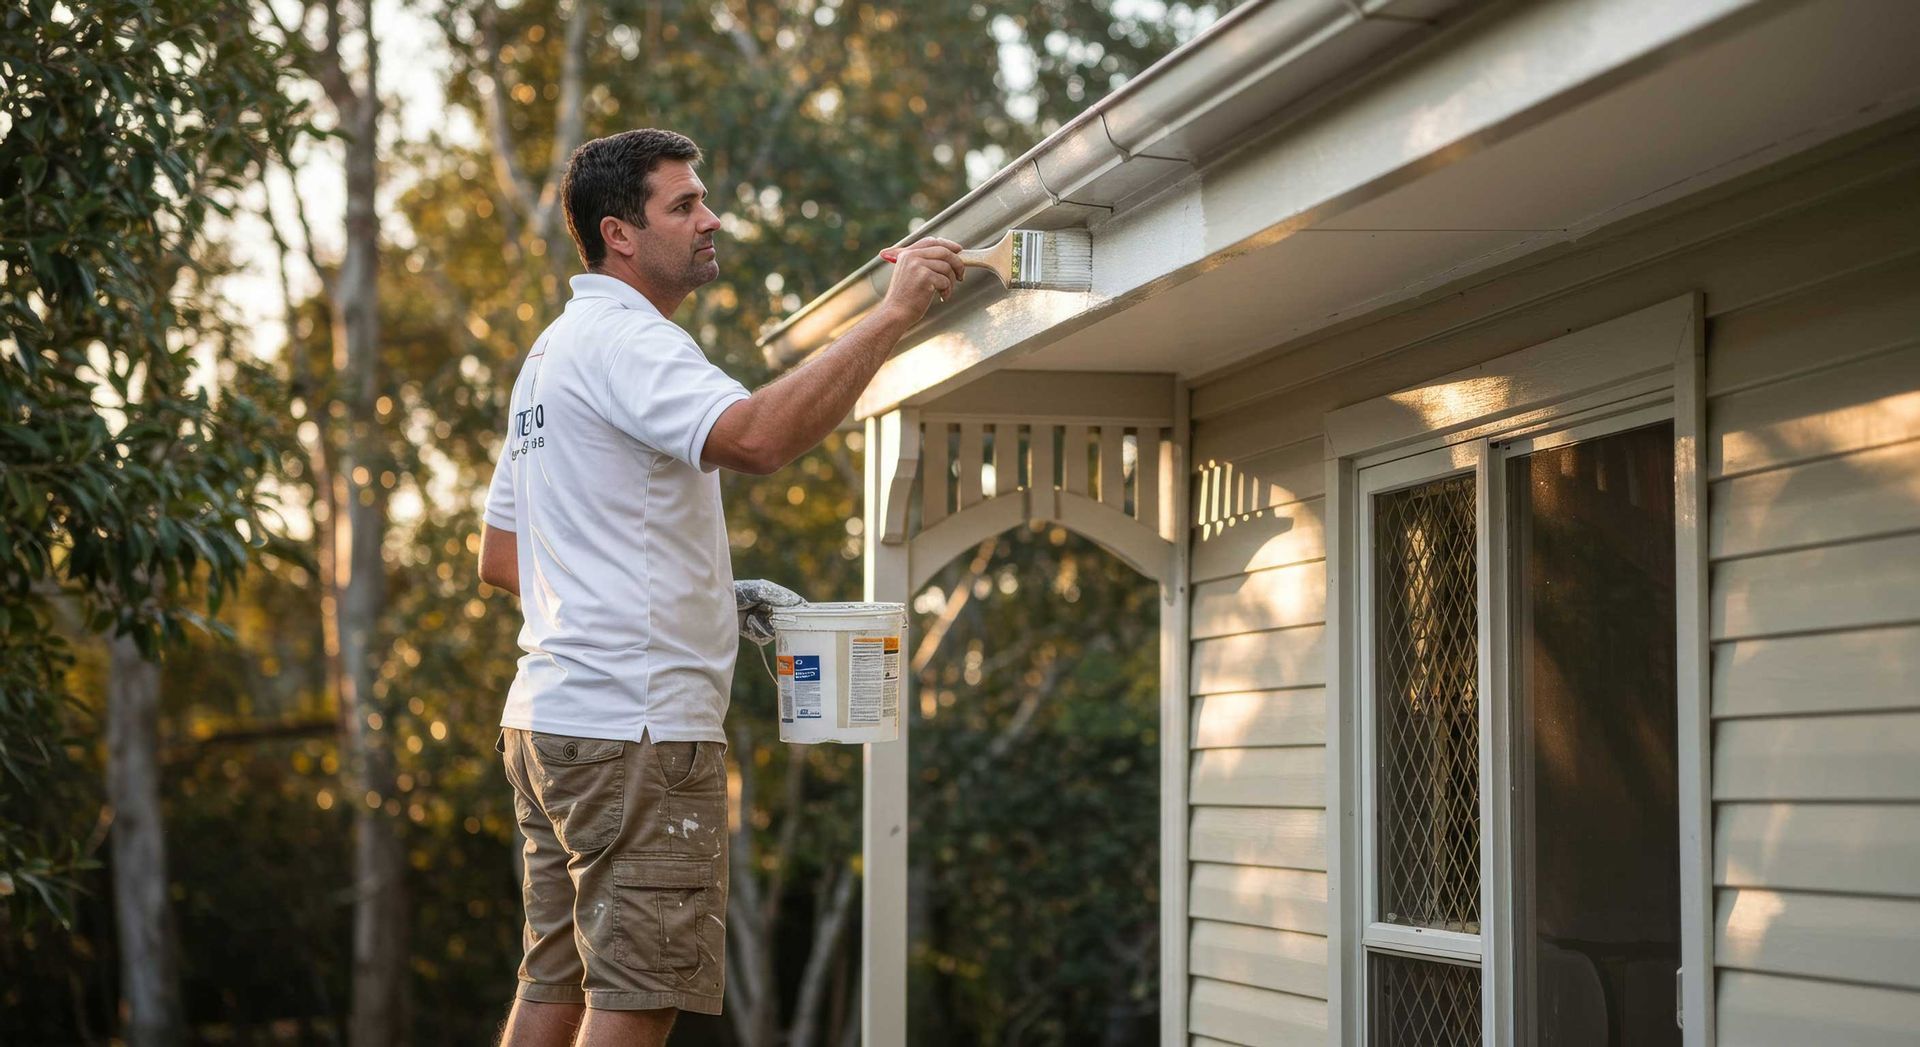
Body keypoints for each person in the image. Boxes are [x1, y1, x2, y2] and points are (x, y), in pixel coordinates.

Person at [475, 128, 963, 1047]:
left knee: (557, 983)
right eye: (684, 205)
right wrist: (892, 314)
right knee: (637, 993)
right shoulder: (630, 341)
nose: (711, 219)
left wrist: (706, 596)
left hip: (553, 721)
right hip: (637, 730)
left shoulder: (548, 356)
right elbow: (757, 438)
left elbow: (505, 558)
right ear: (620, 234)